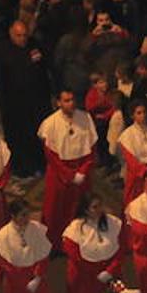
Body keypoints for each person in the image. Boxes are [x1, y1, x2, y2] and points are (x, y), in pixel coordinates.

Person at [0, 21, 53, 176]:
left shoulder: (34, 45)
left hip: (37, 103)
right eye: (19, 36)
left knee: (38, 134)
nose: (23, 39)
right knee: (18, 137)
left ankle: (40, 163)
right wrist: (2, 104)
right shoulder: (1, 52)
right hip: (14, 105)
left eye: (25, 35)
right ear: (11, 34)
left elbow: (45, 70)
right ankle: (21, 167)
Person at [39, 90, 99, 250]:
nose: (70, 103)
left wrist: (83, 171)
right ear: (58, 102)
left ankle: (79, 241)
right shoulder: (50, 123)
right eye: (66, 100)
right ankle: (55, 245)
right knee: (55, 210)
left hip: (81, 170)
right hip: (59, 173)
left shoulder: (85, 118)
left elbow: (91, 149)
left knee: (80, 207)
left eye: (72, 100)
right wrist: (69, 174)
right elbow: (50, 155)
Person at [62, 196, 126, 293]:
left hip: (109, 276)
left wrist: (110, 271)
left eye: (100, 206)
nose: (99, 210)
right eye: (94, 207)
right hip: (85, 280)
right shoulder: (76, 228)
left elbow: (121, 249)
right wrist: (96, 272)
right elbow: (75, 256)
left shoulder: (113, 223)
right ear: (85, 210)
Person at [117, 102, 147, 207]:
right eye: (139, 113)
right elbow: (131, 160)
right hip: (136, 177)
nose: (143, 115)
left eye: (144, 112)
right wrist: (144, 173)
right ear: (132, 116)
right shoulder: (127, 135)